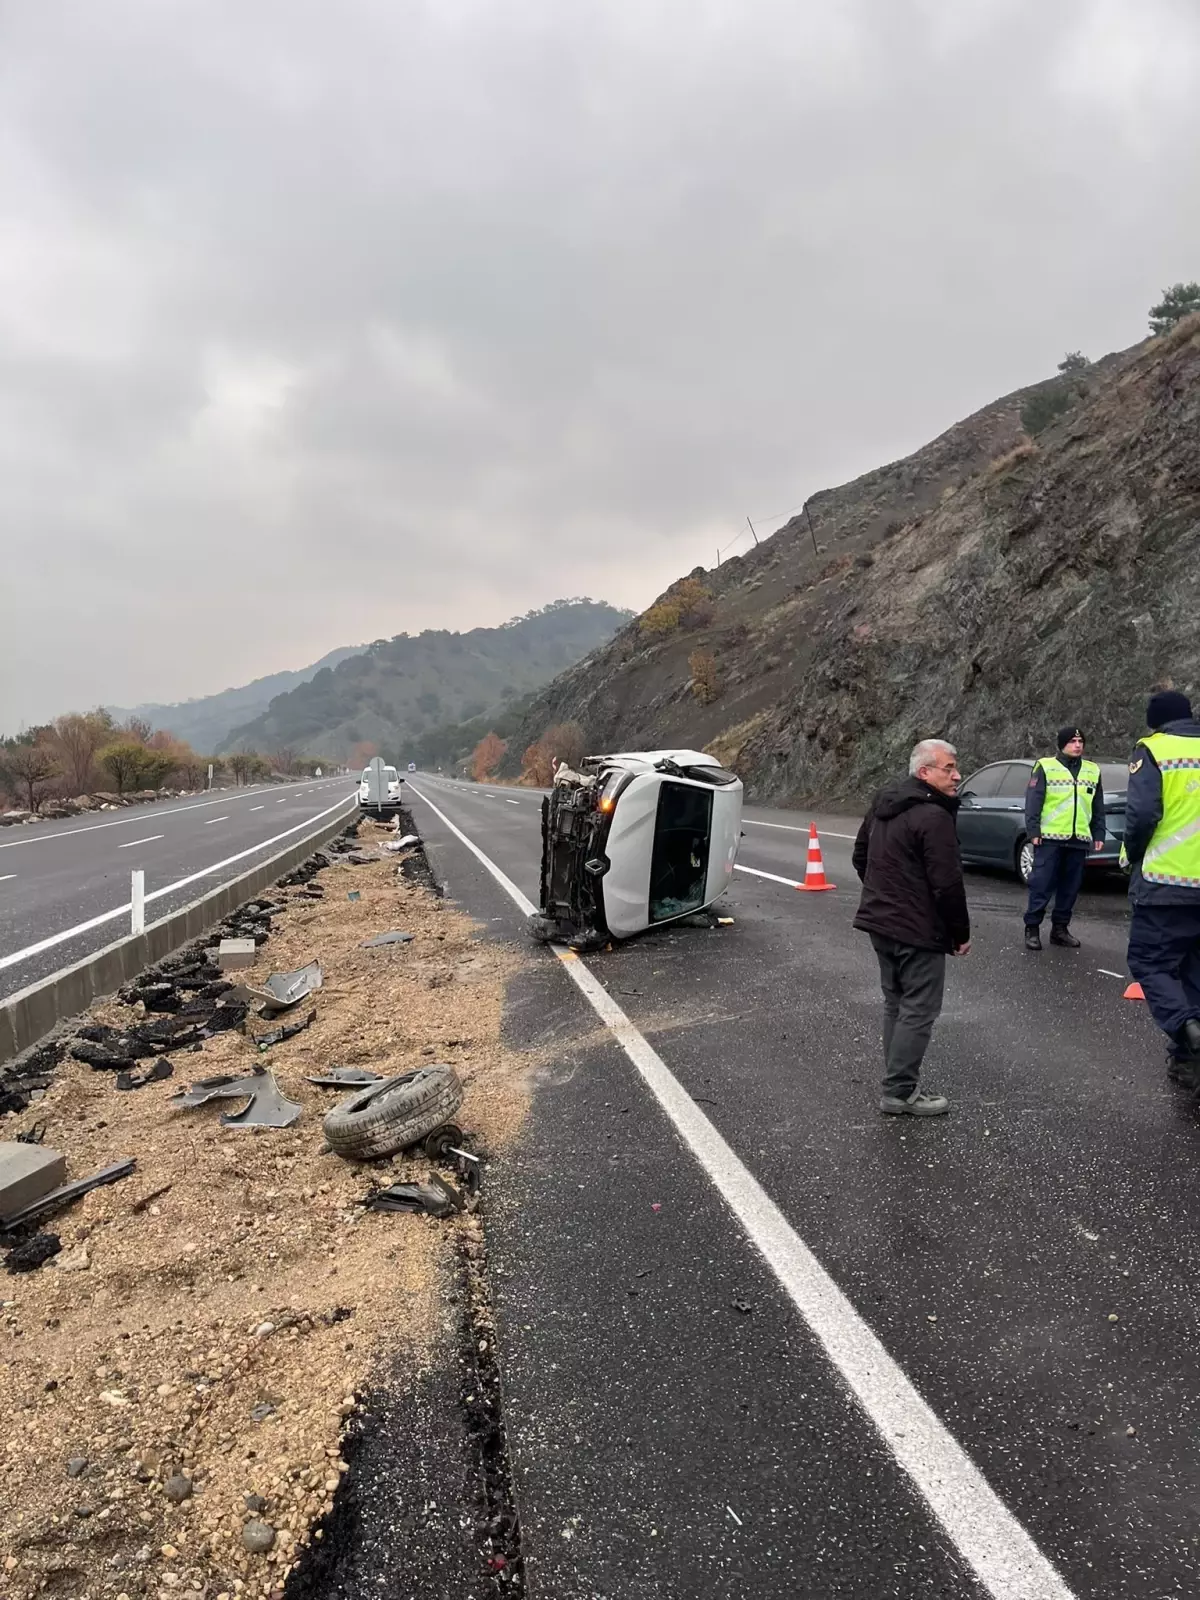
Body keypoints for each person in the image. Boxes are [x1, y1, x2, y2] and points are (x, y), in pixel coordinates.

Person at [852, 738, 971, 1117]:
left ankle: (897, 1080)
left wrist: (885, 894)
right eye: (948, 768)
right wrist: (960, 933)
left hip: (880, 922)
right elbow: (947, 883)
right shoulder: (933, 816)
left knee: (896, 1002)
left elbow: (861, 856)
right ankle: (900, 1091)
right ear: (924, 772)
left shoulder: (885, 803)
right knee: (919, 1007)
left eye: (955, 768)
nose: (957, 775)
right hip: (917, 929)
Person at [1123, 691, 1200, 1087]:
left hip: (1166, 883)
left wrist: (1133, 855)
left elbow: (1141, 816)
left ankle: (1187, 1027)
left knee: (1150, 963)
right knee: (1194, 973)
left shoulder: (1153, 750)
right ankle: (1187, 1063)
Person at [1022, 727, 1106, 951]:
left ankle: (1060, 929)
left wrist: (1099, 833)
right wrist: (1034, 831)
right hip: (1049, 838)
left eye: (1080, 741)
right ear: (1061, 745)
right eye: (1072, 741)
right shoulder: (1046, 766)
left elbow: (1097, 806)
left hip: (1078, 838)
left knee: (1070, 887)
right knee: (1042, 885)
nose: (1077, 745)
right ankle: (1032, 928)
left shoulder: (1092, 770)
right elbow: (1033, 801)